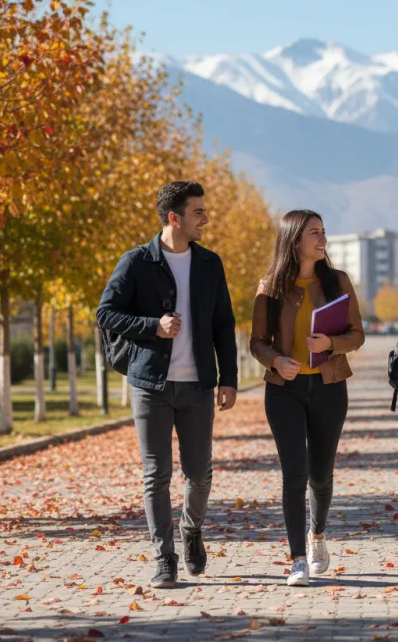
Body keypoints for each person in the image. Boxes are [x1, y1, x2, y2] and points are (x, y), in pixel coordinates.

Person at [97, 181, 238, 588]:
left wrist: (228, 377)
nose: (206, 219)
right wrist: (152, 327)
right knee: (155, 475)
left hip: (197, 386)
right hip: (150, 385)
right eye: (198, 212)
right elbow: (106, 313)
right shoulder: (137, 262)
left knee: (200, 474)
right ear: (174, 217)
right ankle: (165, 558)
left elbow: (223, 324)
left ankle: (191, 529)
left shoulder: (210, 263)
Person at [250, 210, 364, 587]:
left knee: (320, 473)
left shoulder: (338, 281)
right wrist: (276, 360)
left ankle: (317, 537)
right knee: (294, 473)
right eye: (315, 232)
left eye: (324, 231)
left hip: (329, 387)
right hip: (284, 391)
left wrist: (331, 343)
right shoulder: (270, 286)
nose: (323, 238)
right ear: (295, 239)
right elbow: (257, 342)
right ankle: (297, 558)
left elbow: (357, 335)